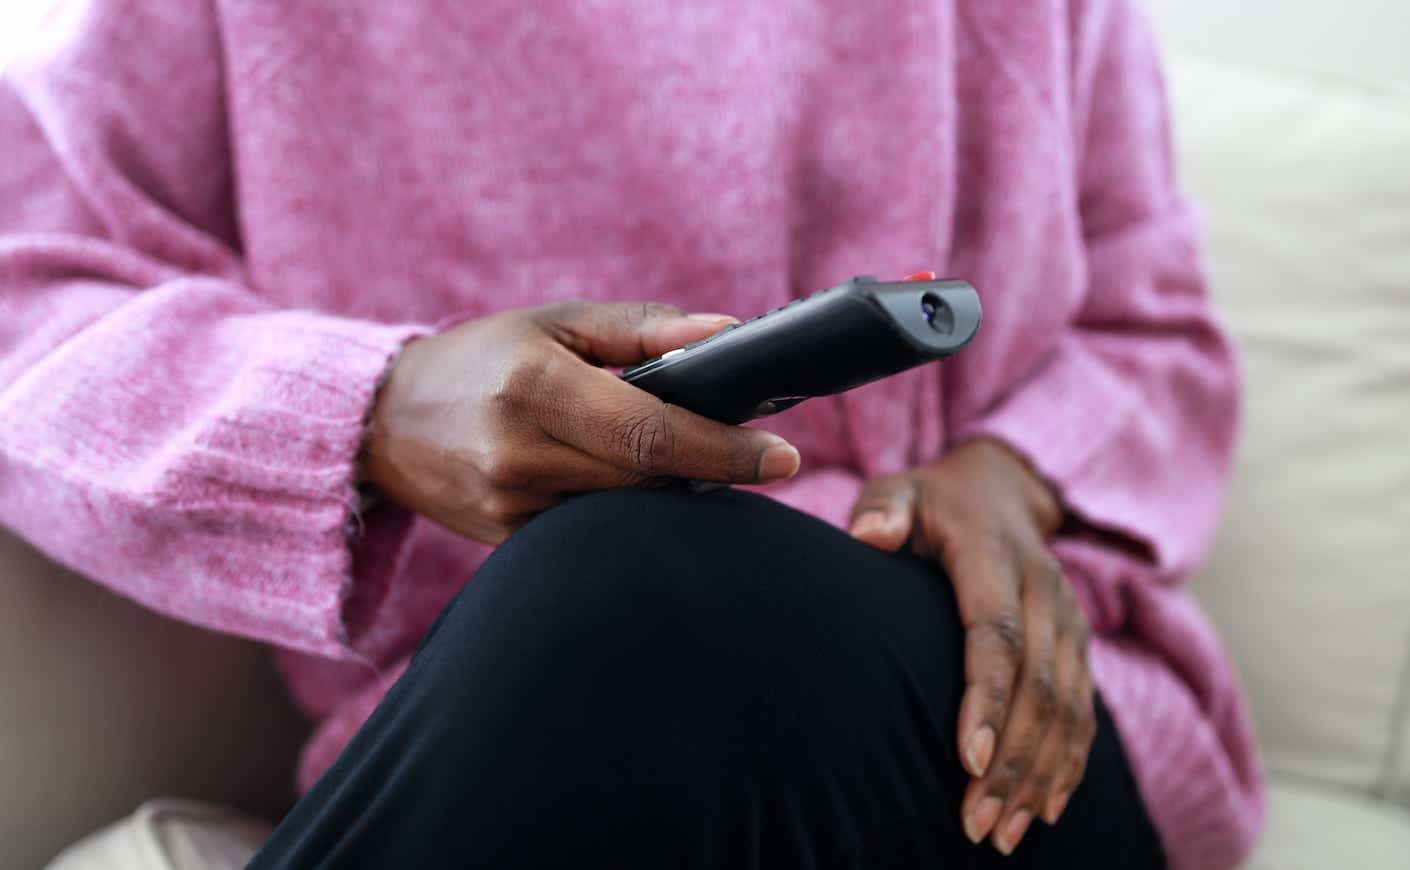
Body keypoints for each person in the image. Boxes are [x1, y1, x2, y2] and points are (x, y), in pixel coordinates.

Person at [0, 0, 1265, 867]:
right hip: (523, 728)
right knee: (616, 592)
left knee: (632, 584)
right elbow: (25, 304)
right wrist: (378, 406)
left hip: (988, 730)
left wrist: (1012, 479)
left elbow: (1154, 333)